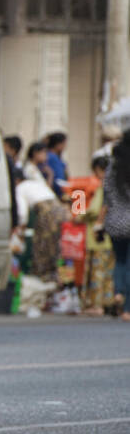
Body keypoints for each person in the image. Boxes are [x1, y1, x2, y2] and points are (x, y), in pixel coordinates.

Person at [15, 169, 63, 283]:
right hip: (59, 209)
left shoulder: (19, 188)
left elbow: (22, 214)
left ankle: (42, 277)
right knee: (54, 244)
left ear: (16, 180)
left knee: (41, 244)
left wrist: (20, 233)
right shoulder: (35, 183)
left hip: (46, 212)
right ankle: (54, 276)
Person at [81, 156, 115, 316]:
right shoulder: (118, 186)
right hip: (113, 237)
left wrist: (78, 215)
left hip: (98, 239)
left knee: (97, 274)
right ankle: (109, 302)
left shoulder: (103, 187)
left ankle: (97, 305)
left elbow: (94, 210)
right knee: (109, 273)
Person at [103, 136, 130, 321]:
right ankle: (128, 308)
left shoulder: (111, 169)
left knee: (119, 260)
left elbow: (105, 195)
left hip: (114, 220)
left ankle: (118, 291)